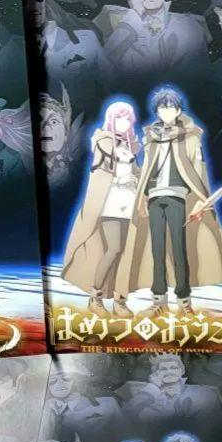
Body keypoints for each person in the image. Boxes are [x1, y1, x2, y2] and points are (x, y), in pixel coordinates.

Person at [115, 85, 222, 317]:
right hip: (154, 197)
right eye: (162, 108)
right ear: (157, 111)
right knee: (156, 251)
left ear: (178, 110)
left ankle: (184, 302)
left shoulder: (191, 135)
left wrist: (200, 201)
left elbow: (197, 169)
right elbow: (147, 168)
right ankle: (159, 302)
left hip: (177, 196)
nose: (166, 112)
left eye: (171, 107)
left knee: (178, 250)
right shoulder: (151, 136)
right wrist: (142, 196)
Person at [61, 99, 141, 316]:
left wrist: (136, 179)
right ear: (111, 120)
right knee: (114, 249)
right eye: (119, 118)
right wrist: (120, 180)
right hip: (109, 204)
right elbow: (99, 175)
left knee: (126, 252)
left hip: (130, 204)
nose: (124, 122)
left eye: (127, 119)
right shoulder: (103, 142)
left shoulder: (130, 145)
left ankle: (119, 300)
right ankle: (95, 297)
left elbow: (136, 173)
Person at [94, 0, 209, 90]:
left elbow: (194, 78)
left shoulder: (188, 26)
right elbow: (102, 68)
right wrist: (134, 16)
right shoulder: (118, 24)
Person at [18, 0, 112, 104]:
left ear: (48, 1)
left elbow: (114, 82)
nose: (32, 5)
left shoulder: (86, 39)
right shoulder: (16, 48)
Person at [115, 353, 221, 425]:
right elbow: (124, 416)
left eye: (173, 368)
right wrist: (153, 388)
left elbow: (216, 425)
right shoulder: (141, 394)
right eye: (163, 369)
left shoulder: (204, 394)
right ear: (154, 373)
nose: (169, 372)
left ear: (182, 371)